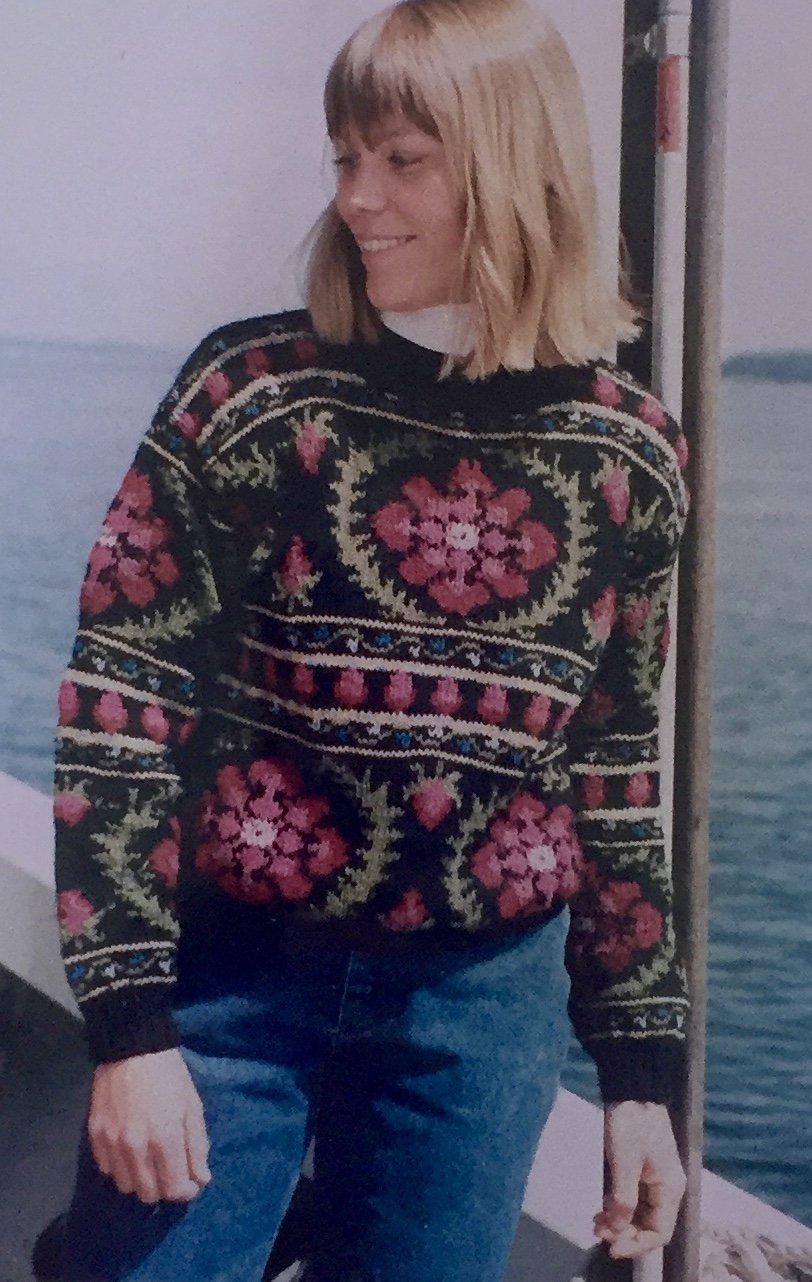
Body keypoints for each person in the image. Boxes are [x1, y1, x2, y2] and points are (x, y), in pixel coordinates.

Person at [52, 1, 690, 1278]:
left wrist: (637, 1075)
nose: (356, 198)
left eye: (401, 160)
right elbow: (119, 712)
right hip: (229, 981)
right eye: (345, 157)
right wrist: (128, 1031)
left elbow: (614, 775)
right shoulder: (248, 398)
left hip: (478, 1017)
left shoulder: (631, 454)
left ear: (511, 167)